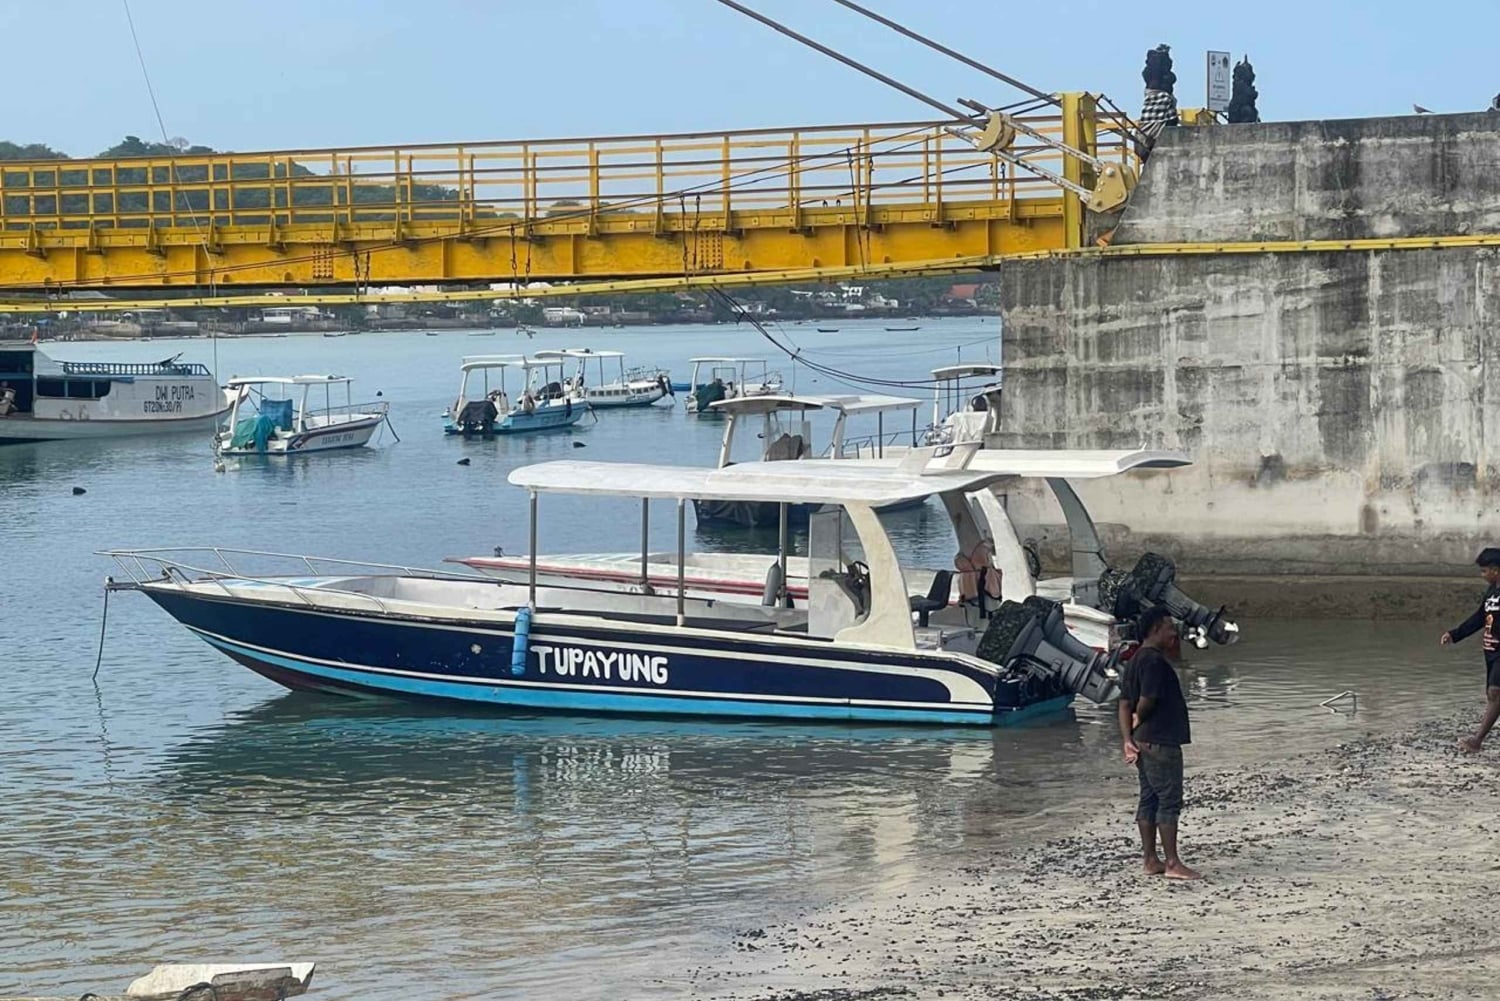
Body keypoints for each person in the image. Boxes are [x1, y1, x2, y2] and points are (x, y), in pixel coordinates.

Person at [1119, 605, 1200, 879]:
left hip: (1143, 741)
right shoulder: (1153, 661)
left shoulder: (1134, 659)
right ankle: (1173, 863)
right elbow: (1147, 700)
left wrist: (1128, 739)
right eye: (1169, 627)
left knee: (1149, 798)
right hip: (1160, 740)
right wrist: (1138, 720)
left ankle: (1150, 860)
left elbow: (1124, 703)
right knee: (1168, 800)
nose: (1173, 633)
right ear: (1155, 629)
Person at [1441, 546, 1500, 752]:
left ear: (1496, 570)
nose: (1482, 575)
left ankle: (1477, 740)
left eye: (1484, 571)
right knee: (1492, 694)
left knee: (1495, 692)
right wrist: (1455, 634)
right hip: (1491, 651)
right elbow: (1479, 618)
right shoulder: (1492, 591)